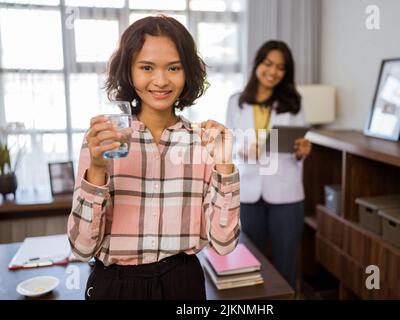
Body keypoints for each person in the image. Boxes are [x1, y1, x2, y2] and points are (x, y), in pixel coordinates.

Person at [67, 16, 240, 300]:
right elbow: (81, 248)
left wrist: (225, 166)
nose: (160, 80)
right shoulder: (104, 140)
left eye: (174, 68)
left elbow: (223, 245)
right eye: (146, 67)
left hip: (182, 284)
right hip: (114, 287)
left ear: (188, 73)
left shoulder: (204, 142)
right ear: (129, 71)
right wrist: (97, 168)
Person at [225, 40, 311, 291]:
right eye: (268, 64)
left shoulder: (294, 102)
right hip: (248, 191)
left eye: (280, 68)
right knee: (248, 263)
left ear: (287, 72)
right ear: (257, 64)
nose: (273, 72)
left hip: (286, 193)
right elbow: (227, 143)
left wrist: (302, 150)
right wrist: (242, 148)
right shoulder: (236, 101)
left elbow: (298, 142)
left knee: (286, 264)